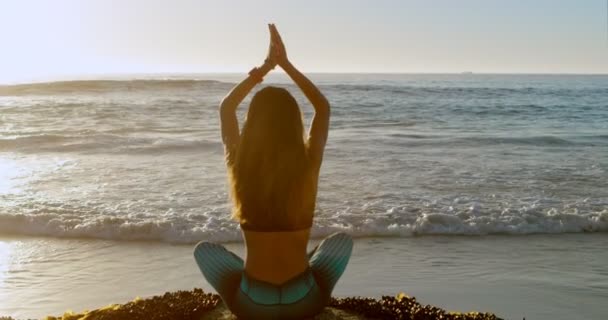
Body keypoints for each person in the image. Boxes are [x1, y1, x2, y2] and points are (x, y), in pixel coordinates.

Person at [193, 24, 353, 319]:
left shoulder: (239, 166)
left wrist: (265, 68)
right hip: (304, 299)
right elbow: (322, 107)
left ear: (252, 126)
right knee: (340, 242)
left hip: (253, 304)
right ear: (294, 125)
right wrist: (286, 65)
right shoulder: (307, 164)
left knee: (204, 250)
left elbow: (227, 108)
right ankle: (303, 270)